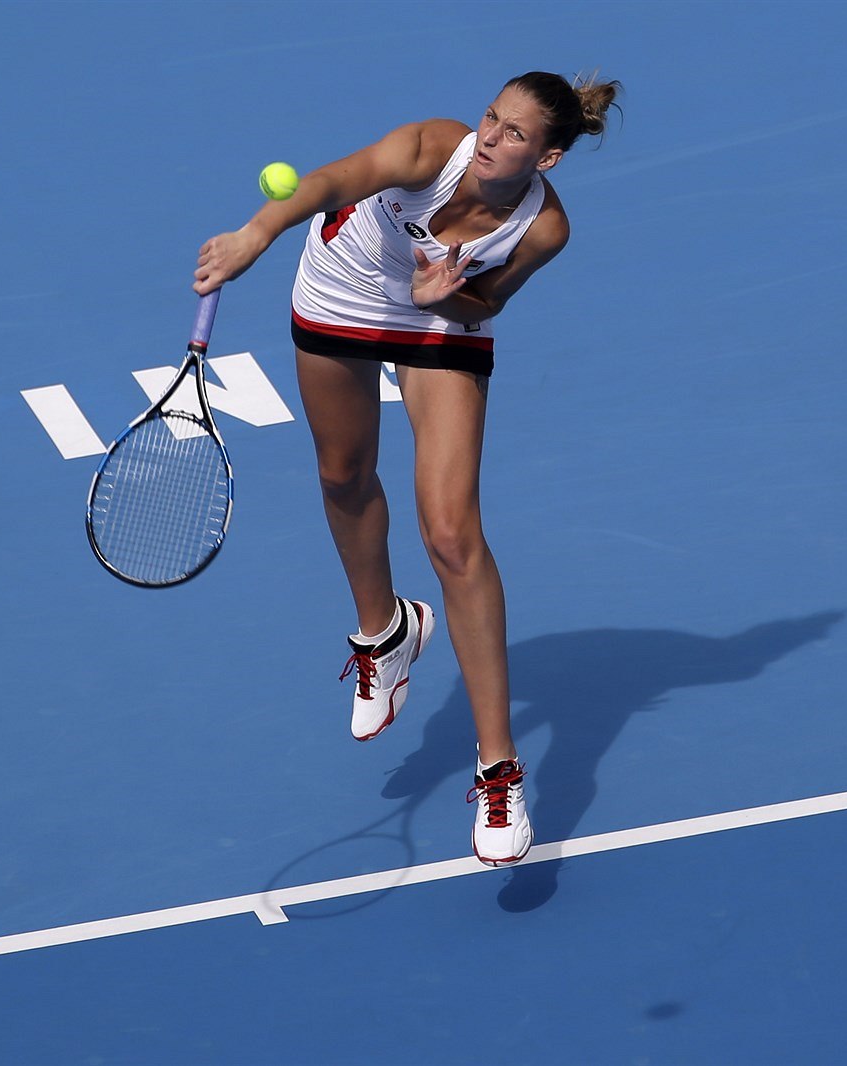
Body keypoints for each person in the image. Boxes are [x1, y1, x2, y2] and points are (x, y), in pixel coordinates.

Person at [193, 71, 621, 867]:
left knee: (453, 535)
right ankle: (387, 630)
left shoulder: (545, 228)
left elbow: (485, 303)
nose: (490, 137)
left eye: (515, 133)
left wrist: (440, 298)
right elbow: (331, 181)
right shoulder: (430, 147)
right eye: (491, 117)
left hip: (435, 326)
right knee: (342, 474)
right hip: (344, 288)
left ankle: (499, 771)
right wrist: (257, 234)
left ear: (548, 158)